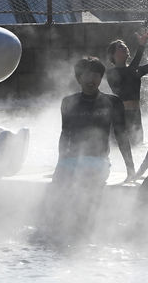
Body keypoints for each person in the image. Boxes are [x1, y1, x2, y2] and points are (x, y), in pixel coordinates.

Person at [53, 57, 135, 186]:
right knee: (60, 184)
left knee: (84, 179)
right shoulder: (68, 102)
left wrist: (130, 169)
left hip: (98, 161)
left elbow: (121, 135)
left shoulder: (113, 102)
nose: (91, 79)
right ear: (79, 78)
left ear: (101, 78)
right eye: (86, 75)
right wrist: (60, 163)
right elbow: (65, 134)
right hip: (71, 160)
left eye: (96, 75)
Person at [106, 29, 148, 146]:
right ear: (112, 55)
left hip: (135, 115)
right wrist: (141, 45)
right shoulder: (111, 73)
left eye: (124, 46)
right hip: (120, 115)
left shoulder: (135, 70)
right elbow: (128, 71)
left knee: (137, 147)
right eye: (120, 47)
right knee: (118, 149)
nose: (124, 47)